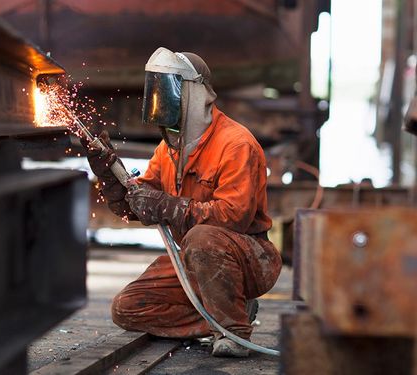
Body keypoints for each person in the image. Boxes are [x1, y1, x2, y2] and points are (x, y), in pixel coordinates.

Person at [82, 47, 282, 357]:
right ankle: (231, 310)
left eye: (167, 90)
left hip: (250, 258)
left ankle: (233, 332)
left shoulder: (236, 143)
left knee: (203, 237)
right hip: (195, 259)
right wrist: (109, 176)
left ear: (194, 92)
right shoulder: (168, 149)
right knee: (127, 308)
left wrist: (168, 206)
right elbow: (137, 205)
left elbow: (234, 217)